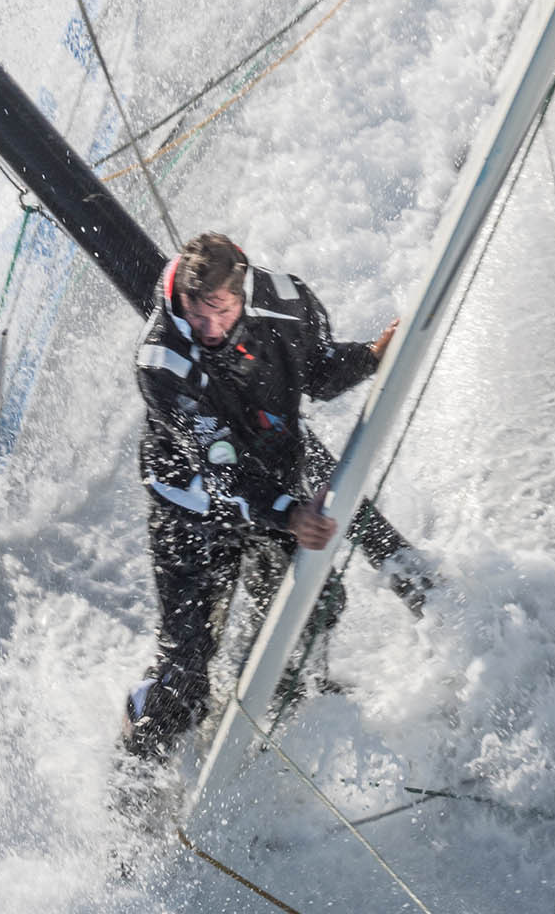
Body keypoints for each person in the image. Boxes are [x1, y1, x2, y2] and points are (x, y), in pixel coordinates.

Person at [121, 231, 429, 763]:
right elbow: (220, 463)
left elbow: (320, 371)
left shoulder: (286, 300)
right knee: (184, 675)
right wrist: (288, 513)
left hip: (273, 487)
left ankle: (275, 711)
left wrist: (372, 356)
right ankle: (139, 768)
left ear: (243, 292)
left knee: (314, 609)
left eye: (221, 311)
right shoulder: (160, 359)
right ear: (182, 298)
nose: (209, 329)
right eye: (196, 314)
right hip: (193, 511)